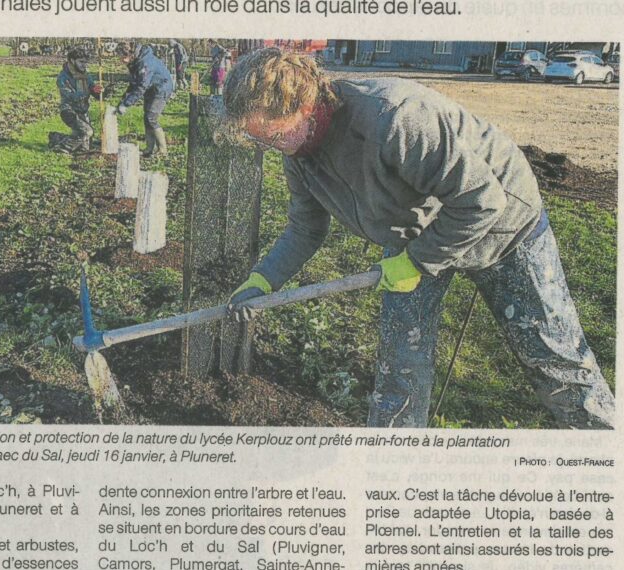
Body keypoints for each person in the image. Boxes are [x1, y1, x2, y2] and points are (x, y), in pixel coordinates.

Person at [221, 48, 614, 429]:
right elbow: (306, 228)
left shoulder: (393, 118)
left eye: (274, 135)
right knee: (399, 370)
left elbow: (480, 200)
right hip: (412, 229)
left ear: (305, 105)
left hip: (504, 226)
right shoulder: (299, 153)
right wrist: (264, 279)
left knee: (555, 361)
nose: (273, 147)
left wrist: (417, 262)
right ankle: (396, 464)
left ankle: (601, 451)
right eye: (261, 140)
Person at [114, 41, 174, 157]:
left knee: (151, 118)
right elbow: (134, 84)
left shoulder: (145, 63)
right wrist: (123, 100)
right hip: (150, 88)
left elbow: (141, 86)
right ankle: (149, 149)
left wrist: (126, 104)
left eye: (123, 57)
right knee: (147, 118)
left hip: (161, 87)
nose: (122, 61)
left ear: (130, 54)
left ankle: (162, 151)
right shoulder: (135, 61)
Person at [51, 47, 103, 154]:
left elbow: (94, 91)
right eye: (81, 62)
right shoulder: (63, 77)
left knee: (85, 146)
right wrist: (89, 91)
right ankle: (61, 147)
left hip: (83, 112)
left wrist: (100, 92)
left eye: (86, 62)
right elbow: (71, 96)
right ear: (72, 60)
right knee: (87, 132)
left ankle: (56, 137)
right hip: (69, 111)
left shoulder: (86, 75)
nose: (84, 65)